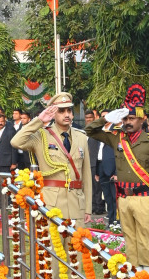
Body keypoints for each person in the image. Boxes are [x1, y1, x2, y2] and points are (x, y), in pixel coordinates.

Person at [84, 84, 149, 266]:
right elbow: (90, 131)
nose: (128, 122)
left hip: (145, 198)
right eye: (125, 118)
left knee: (145, 240)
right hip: (124, 198)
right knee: (129, 240)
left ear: (142, 120)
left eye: (132, 118)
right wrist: (106, 119)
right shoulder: (116, 136)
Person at [11, 91, 91, 226]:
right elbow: (16, 141)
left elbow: (86, 174)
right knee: (53, 246)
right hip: (52, 204)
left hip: (77, 204)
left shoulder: (81, 137)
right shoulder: (42, 135)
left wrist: (87, 208)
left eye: (69, 110)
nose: (66, 114)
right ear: (53, 113)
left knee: (77, 246)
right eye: (61, 110)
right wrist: (39, 121)